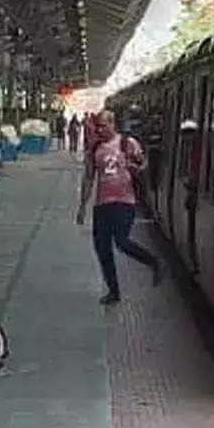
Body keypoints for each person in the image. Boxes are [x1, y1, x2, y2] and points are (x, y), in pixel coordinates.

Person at [77, 110, 162, 304]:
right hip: (102, 204)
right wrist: (83, 206)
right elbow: (89, 177)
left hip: (124, 201)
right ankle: (113, 291)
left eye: (103, 125)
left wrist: (137, 169)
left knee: (121, 241)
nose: (100, 129)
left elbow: (144, 164)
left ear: (112, 124)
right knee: (102, 248)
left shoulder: (127, 143)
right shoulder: (95, 148)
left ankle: (152, 261)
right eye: (98, 126)